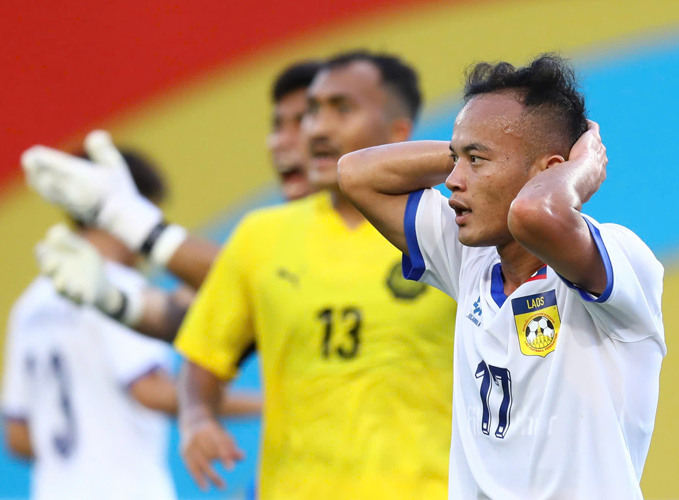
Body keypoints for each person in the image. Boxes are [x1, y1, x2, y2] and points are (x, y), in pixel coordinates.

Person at [338, 54, 666, 499]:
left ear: (551, 170)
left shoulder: (621, 259)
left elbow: (534, 214)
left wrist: (585, 165)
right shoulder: (470, 259)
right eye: (455, 160)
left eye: (476, 160)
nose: (452, 180)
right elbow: (356, 174)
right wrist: (468, 151)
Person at [173, 51, 456, 498]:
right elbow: (204, 359)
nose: (318, 129)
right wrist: (196, 419)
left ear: (398, 133)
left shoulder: (448, 230)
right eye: (311, 112)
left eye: (342, 109)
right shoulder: (259, 236)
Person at [2, 148, 261, 500]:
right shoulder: (116, 288)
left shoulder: (29, 305)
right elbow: (150, 392)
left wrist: (82, 447)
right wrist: (263, 403)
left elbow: (17, 437)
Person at [21, 61, 322, 342]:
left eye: (303, 122)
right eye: (277, 126)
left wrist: (125, 216)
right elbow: (195, 315)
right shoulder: (272, 235)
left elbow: (260, 287)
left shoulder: (354, 227)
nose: (280, 141)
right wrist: (116, 301)